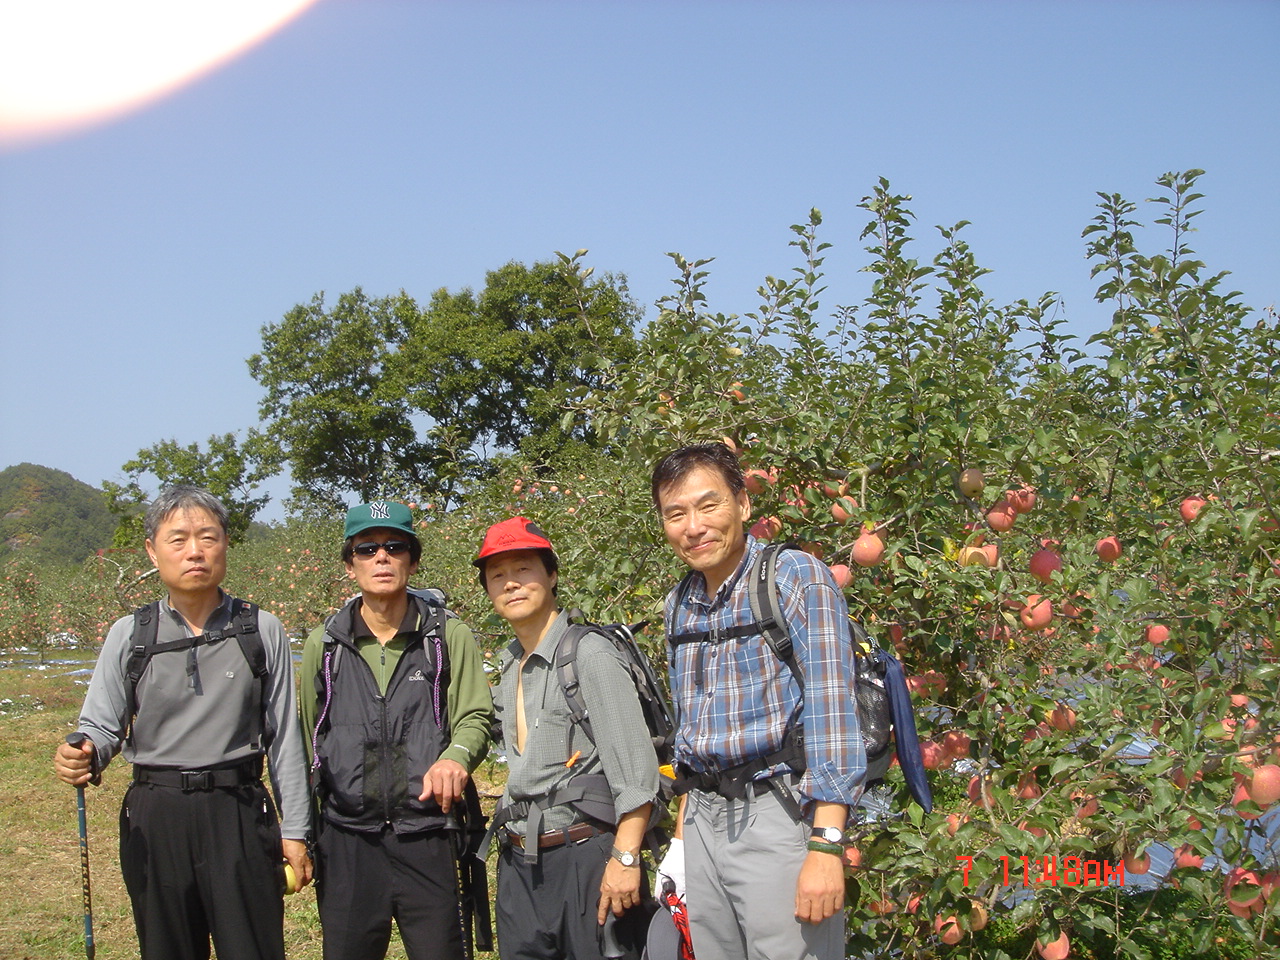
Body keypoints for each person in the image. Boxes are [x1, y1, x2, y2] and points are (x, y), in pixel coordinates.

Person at [53, 486, 311, 960]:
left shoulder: (260, 629)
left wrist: (295, 829)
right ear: (153, 551)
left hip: (238, 809)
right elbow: (102, 726)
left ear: (225, 544)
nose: (195, 551)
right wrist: (84, 750)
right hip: (156, 814)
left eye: (208, 537)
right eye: (178, 539)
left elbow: (284, 740)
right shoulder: (131, 634)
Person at [650, 443, 865, 960]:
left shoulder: (794, 577)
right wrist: (680, 845)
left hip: (777, 813)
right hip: (702, 820)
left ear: (743, 504)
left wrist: (826, 844)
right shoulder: (680, 603)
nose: (694, 527)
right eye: (676, 514)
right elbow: (692, 735)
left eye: (709, 506)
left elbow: (834, 713)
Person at [299, 500, 494, 960]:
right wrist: (300, 831)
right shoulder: (323, 646)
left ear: (413, 560)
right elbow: (306, 740)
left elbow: (475, 716)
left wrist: (456, 757)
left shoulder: (446, 637)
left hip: (428, 833)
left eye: (395, 546)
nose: (381, 557)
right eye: (367, 549)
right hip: (347, 837)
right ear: (350, 565)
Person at [476, 516, 660, 960]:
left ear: (552, 575)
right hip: (520, 864)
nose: (510, 583)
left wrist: (626, 858)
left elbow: (636, 773)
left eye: (523, 569)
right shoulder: (509, 664)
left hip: (587, 858)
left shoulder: (589, 653)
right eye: (497, 575)